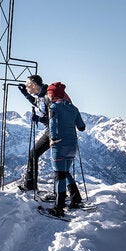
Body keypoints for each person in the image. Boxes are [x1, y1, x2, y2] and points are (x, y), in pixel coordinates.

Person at [45, 82, 86, 216]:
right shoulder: (73, 108)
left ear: (52, 94)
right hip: (72, 146)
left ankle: (58, 208)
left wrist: (53, 139)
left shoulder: (54, 107)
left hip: (59, 145)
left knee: (59, 175)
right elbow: (81, 127)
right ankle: (76, 199)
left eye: (49, 93)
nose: (48, 95)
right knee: (65, 172)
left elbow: (53, 124)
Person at [16, 75, 51, 191]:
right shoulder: (43, 95)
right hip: (52, 130)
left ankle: (30, 186)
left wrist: (39, 119)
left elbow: (54, 118)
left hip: (54, 131)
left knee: (34, 154)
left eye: (27, 85)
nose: (26, 87)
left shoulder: (47, 97)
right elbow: (37, 103)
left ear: (34, 85)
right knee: (34, 154)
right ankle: (30, 185)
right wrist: (25, 94)